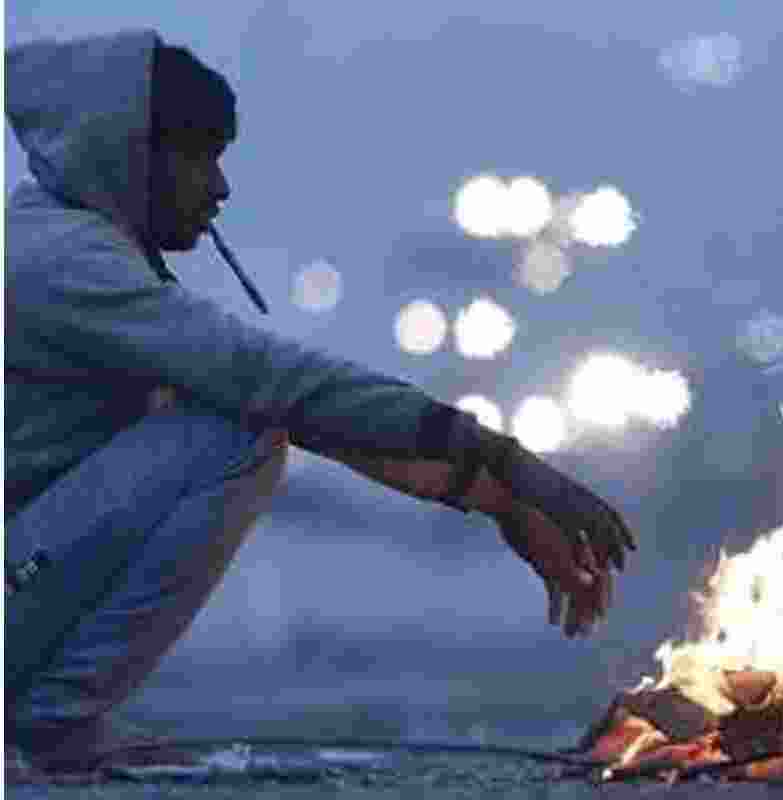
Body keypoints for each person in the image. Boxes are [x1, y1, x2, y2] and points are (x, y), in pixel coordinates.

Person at [5, 29, 636, 776]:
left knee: (242, 419)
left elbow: (303, 411)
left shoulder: (72, 246)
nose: (220, 188)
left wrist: (496, 497)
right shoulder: (61, 263)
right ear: (131, 154)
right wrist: (508, 459)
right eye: (201, 156)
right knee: (233, 437)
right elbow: (273, 387)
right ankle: (44, 725)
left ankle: (46, 716)